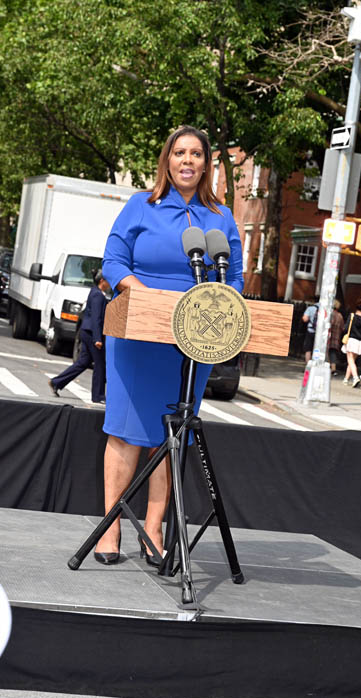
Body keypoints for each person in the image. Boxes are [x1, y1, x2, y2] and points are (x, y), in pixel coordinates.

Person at [94, 125, 244, 565]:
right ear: (167, 159)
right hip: (139, 329)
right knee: (125, 431)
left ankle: (155, 527)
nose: (187, 161)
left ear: (206, 163)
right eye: (179, 152)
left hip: (194, 339)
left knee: (171, 434)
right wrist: (144, 297)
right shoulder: (142, 205)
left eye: (196, 154)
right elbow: (113, 260)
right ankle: (110, 527)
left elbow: (231, 277)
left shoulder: (221, 218)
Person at [49, 271, 110, 403]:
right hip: (91, 333)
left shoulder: (93, 292)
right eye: (108, 281)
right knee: (99, 364)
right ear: (102, 281)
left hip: (86, 331)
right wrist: (98, 338)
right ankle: (98, 396)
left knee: (83, 362)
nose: (109, 284)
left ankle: (57, 382)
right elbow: (96, 318)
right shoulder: (98, 296)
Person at [342, 299, 361, 388]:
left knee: (350, 360)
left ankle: (355, 377)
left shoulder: (351, 316)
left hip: (351, 340)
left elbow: (346, 328)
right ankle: (346, 379)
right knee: (352, 361)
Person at [328, 300, 344, 377]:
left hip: (328, 336)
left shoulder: (330, 314)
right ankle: (333, 369)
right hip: (336, 337)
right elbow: (342, 327)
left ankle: (327, 366)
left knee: (327, 351)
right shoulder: (340, 316)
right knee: (333, 353)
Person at [302, 296, 319, 364]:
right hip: (319, 332)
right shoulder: (324, 309)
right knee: (317, 349)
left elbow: (305, 319)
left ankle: (308, 365)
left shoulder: (310, 308)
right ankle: (315, 364)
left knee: (308, 349)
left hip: (310, 331)